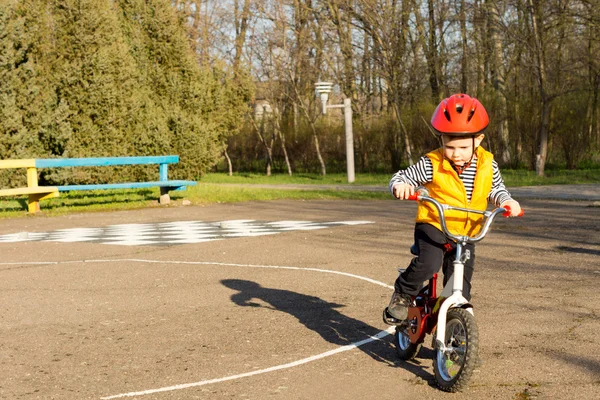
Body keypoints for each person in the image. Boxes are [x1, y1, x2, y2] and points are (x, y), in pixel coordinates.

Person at [383, 93, 522, 325]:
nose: (456, 153)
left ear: (478, 140)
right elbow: (402, 176)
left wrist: (507, 202)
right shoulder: (432, 163)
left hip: (468, 231)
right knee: (428, 264)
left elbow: (495, 190)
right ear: (441, 140)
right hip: (435, 224)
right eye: (449, 146)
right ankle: (403, 294)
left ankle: (453, 328)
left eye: (463, 147)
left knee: (461, 283)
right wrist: (401, 185)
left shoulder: (489, 165)